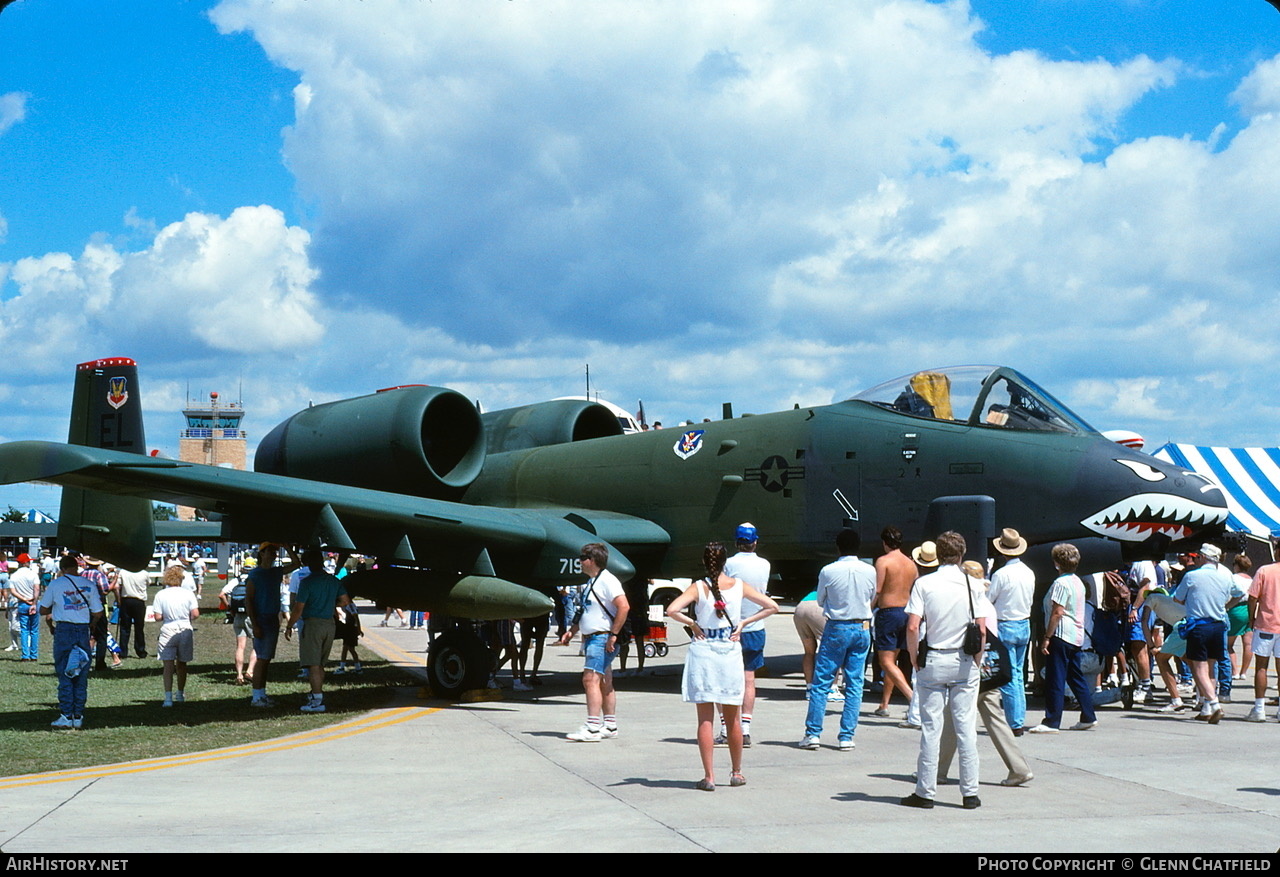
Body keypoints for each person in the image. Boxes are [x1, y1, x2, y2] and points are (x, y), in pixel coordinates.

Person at [666, 542, 778, 790]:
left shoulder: (698, 587)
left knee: (705, 720)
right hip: (729, 650)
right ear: (726, 561)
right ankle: (736, 772)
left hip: (704, 651)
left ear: (705, 562)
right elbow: (772, 606)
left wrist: (693, 623)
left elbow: (672, 609)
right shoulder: (738, 586)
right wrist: (744, 623)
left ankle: (709, 776)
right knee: (733, 719)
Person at [900, 531, 989, 810]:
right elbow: (982, 628)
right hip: (963, 660)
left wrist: (915, 657)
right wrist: (977, 659)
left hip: (934, 659)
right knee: (966, 730)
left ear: (937, 554)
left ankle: (925, 792)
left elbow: (913, 626)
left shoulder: (924, 583)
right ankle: (970, 793)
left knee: (931, 729)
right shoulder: (973, 584)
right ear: (961, 555)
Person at [937, 561, 1033, 787]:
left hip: (973, 669)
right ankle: (1019, 768)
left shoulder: (972, 602)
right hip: (990, 670)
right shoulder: (987, 603)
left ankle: (937, 770)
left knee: (952, 717)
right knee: (995, 720)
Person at [800, 528, 876, 751]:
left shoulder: (828, 570)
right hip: (862, 626)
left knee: (822, 681)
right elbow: (872, 597)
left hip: (837, 626)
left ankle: (813, 733)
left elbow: (821, 600)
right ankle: (846, 736)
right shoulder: (869, 570)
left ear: (838, 547)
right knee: (855, 683)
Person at [556, 543, 629, 742]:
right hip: (594, 637)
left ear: (593, 560)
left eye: (582, 558)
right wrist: (572, 632)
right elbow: (586, 611)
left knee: (590, 680)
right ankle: (610, 725)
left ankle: (593, 727)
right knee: (605, 681)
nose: (579, 561)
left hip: (601, 637)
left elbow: (624, 606)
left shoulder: (607, 580)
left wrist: (613, 634)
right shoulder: (592, 582)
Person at [1174, 544, 1244, 724]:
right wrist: (1226, 606)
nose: (1196, 559)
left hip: (1199, 625)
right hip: (1218, 624)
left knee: (1199, 668)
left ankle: (1213, 703)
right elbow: (1240, 593)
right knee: (1211, 667)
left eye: (1198, 556)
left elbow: (1177, 599)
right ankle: (1207, 707)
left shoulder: (1192, 576)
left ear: (1203, 557)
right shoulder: (1225, 575)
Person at [1029, 543, 1096, 733]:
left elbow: (1057, 612)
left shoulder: (1060, 583)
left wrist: (1047, 636)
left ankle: (1052, 720)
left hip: (1061, 633)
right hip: (1076, 635)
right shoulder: (1078, 582)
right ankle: (1088, 714)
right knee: (1075, 676)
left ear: (1057, 563)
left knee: (1055, 678)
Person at [39, 554, 103, 729]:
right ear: (77, 567)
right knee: (81, 671)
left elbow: (43, 609)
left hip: (64, 629)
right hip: (83, 629)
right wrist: (92, 625)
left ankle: (66, 715)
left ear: (62, 568)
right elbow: (98, 612)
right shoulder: (88, 584)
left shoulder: (56, 584)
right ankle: (78, 714)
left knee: (65, 671)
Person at [721, 522, 771, 746]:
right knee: (749, 678)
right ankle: (746, 728)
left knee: (724, 681)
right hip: (756, 626)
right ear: (755, 542)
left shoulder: (729, 564)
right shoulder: (765, 564)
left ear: (736, 542)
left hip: (730, 629)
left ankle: (726, 729)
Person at [286, 548, 350, 713]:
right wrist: (330, 604)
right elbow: (345, 600)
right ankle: (317, 694)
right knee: (321, 664)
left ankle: (317, 700)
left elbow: (298, 608)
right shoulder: (333, 580)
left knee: (313, 665)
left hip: (313, 624)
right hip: (329, 623)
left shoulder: (307, 582)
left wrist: (289, 625)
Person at [986, 528, 1035, 734]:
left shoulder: (1001, 574)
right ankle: (1018, 718)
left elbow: (989, 599)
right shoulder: (1028, 572)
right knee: (1018, 673)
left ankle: (1014, 722)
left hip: (1006, 623)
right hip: (1023, 622)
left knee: (1008, 675)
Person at [245, 543, 300, 707]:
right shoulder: (255, 575)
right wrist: (255, 624)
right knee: (261, 659)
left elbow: (297, 564)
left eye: (275, 551)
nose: (274, 554)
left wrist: (288, 547)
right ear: (261, 554)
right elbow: (248, 600)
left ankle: (261, 693)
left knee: (266, 659)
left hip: (272, 619)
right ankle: (256, 697)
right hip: (261, 619)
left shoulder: (276, 572)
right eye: (270, 551)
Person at [872, 525, 917, 719]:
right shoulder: (910, 563)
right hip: (905, 612)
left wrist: (867, 609)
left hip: (888, 612)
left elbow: (878, 589)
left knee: (885, 661)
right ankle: (884, 704)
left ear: (884, 542)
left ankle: (914, 700)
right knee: (894, 661)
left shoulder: (883, 561)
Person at [155, 564, 200, 707]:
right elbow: (195, 614)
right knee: (182, 663)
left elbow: (157, 616)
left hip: (168, 628)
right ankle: (180, 693)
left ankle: (168, 698)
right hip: (185, 628)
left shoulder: (161, 594)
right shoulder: (188, 594)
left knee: (167, 665)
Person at [1247, 542, 1280, 722]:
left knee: (1261, 666)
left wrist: (1251, 617)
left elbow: (1252, 597)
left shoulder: (1265, 570)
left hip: (1266, 623)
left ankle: (1259, 708)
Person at [9, 553, 41, 662]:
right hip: (33, 602)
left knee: (24, 630)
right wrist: (34, 602)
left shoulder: (14, 576)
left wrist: (23, 599)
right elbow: (36, 589)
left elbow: (13, 591)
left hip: (22, 604)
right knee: (34, 630)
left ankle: (25, 655)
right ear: (26, 562)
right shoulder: (33, 574)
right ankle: (34, 655)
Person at [114, 565, 151, 659]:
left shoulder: (123, 572)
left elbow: (117, 586)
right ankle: (140, 650)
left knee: (125, 627)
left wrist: (118, 601)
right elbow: (148, 584)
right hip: (139, 601)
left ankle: (123, 652)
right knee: (139, 627)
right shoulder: (144, 573)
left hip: (126, 600)